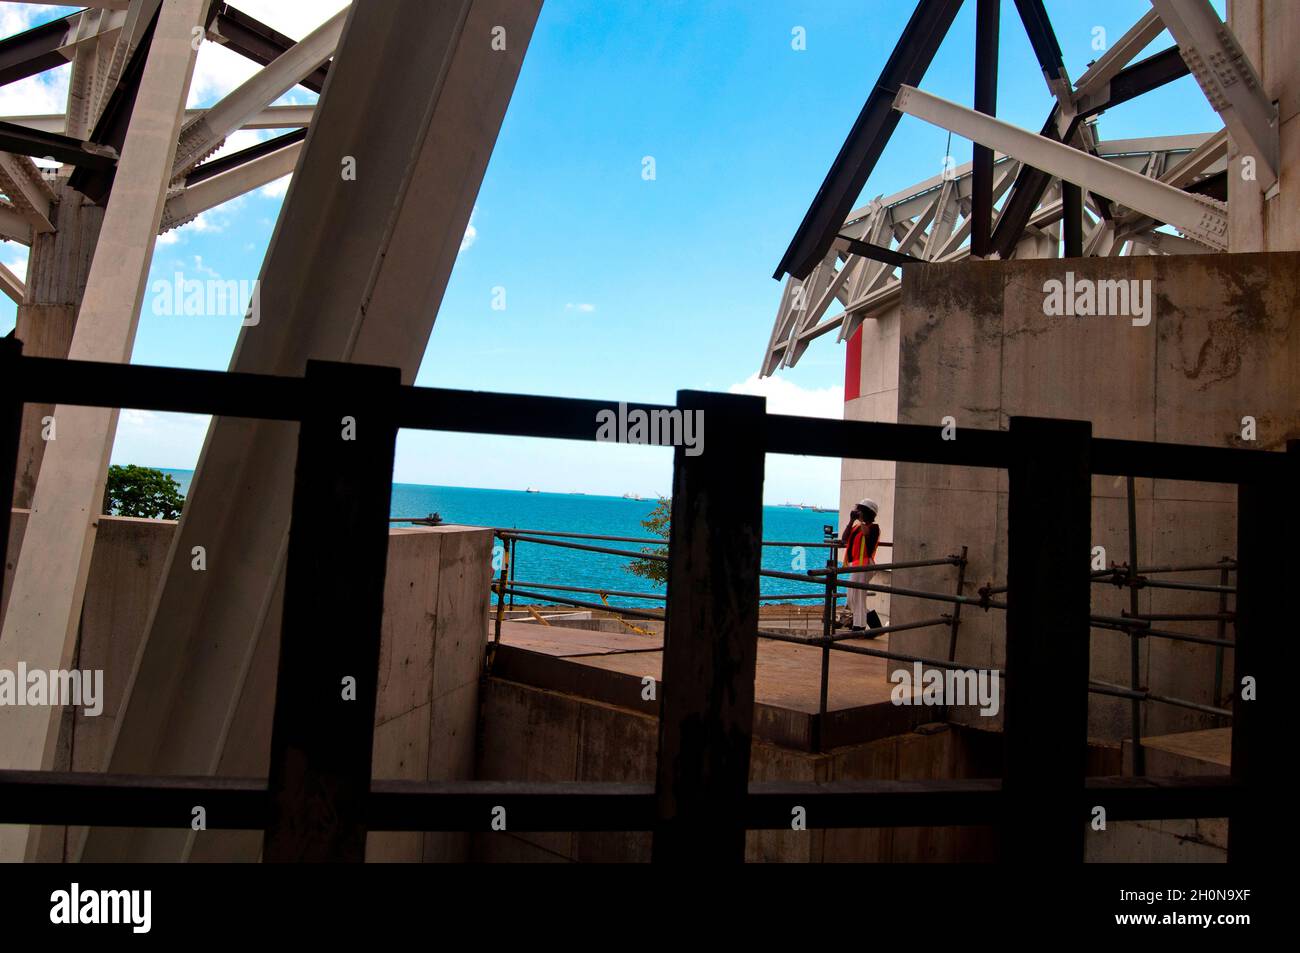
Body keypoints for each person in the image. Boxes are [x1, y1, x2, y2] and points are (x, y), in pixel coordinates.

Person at [840, 499, 881, 633]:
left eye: (861, 511)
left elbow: (867, 535)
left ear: (868, 513)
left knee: (858, 596)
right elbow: (844, 538)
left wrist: (862, 521)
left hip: (865, 565)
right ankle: (876, 627)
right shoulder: (856, 527)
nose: (858, 513)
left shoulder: (874, 528)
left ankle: (860, 626)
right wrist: (852, 521)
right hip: (856, 565)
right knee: (852, 597)